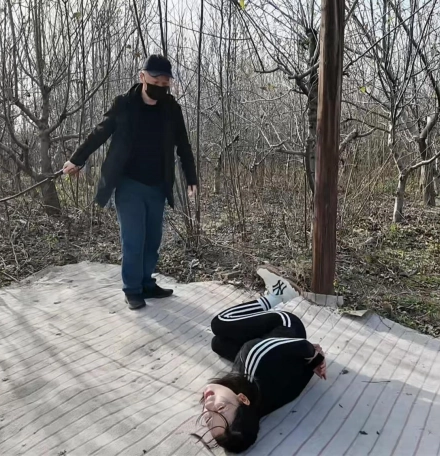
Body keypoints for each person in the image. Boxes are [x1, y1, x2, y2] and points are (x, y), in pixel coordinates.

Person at [63, 54, 198, 311]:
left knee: (152, 240)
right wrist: (77, 159)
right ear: (142, 77)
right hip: (128, 183)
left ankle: (147, 283)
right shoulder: (124, 104)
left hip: (158, 184)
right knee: (134, 239)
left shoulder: (171, 109)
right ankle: (132, 289)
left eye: (165, 83)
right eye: (156, 82)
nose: (161, 87)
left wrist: (191, 176)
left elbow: (183, 144)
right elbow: (100, 132)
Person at [196, 269, 328, 453]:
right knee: (219, 323)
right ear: (243, 399)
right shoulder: (253, 357)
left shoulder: (259, 407)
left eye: (209, 418)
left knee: (217, 343)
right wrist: (315, 357)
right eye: (220, 407)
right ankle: (278, 295)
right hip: (286, 326)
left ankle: (277, 299)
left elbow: (296, 385)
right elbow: (302, 346)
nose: (209, 404)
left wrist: (311, 365)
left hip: (274, 350)